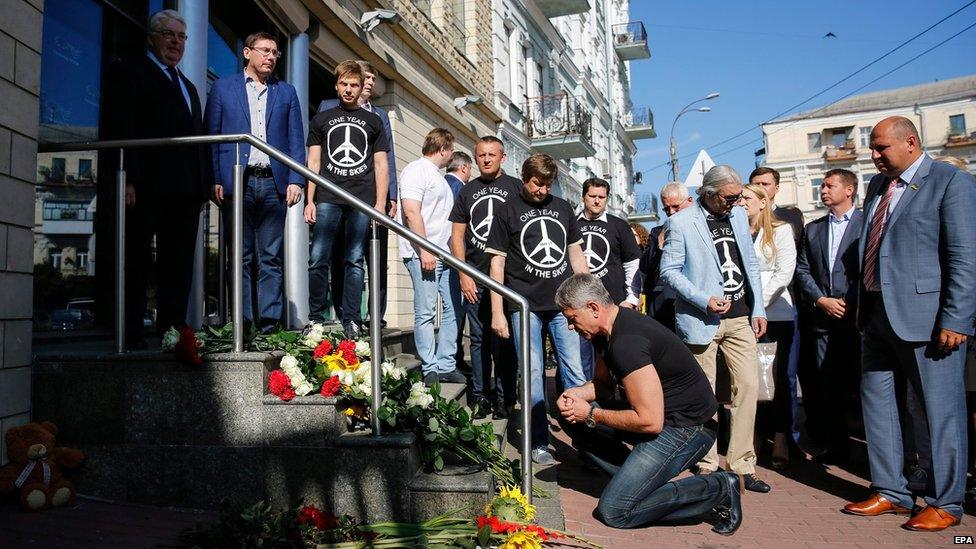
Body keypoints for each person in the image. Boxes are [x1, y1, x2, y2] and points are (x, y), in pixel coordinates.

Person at [842, 116, 976, 531]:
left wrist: (956, 318)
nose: (874, 156)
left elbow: (965, 257)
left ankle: (946, 502)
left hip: (929, 320)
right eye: (873, 148)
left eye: (881, 148)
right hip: (877, 314)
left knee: (939, 413)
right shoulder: (877, 186)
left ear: (911, 142)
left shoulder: (952, 183)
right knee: (877, 406)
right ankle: (891, 491)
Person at [554, 274, 742, 535]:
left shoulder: (627, 343)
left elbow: (649, 421)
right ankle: (633, 480)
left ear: (593, 308)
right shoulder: (604, 333)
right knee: (568, 414)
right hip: (663, 420)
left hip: (688, 429)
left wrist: (592, 414)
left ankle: (719, 487)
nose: (571, 327)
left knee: (615, 511)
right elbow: (604, 386)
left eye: (572, 318)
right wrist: (576, 396)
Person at [102, 9, 210, 348]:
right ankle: (130, 333)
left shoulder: (189, 87)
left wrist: (202, 186)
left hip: (185, 191)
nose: (176, 42)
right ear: (152, 38)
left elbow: (197, 137)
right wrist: (126, 178)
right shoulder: (129, 70)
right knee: (136, 260)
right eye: (169, 34)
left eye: (181, 37)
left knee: (177, 264)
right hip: (145, 186)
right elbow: (118, 126)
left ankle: (172, 331)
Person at [659, 165, 770, 493]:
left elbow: (750, 262)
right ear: (709, 194)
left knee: (748, 387)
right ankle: (706, 464)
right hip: (700, 319)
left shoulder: (737, 216)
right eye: (730, 197)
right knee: (704, 395)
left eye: (739, 197)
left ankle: (742, 464)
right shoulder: (680, 222)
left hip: (739, 317)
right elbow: (669, 271)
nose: (737, 202)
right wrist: (701, 298)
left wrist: (759, 307)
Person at [486, 154, 589, 465]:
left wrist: (585, 299)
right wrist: (497, 311)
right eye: (536, 184)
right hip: (523, 306)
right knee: (531, 374)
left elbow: (576, 255)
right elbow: (497, 263)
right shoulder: (507, 211)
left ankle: (586, 443)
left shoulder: (563, 208)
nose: (543, 190)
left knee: (574, 372)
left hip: (563, 306)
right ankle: (539, 441)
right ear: (523, 177)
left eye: (547, 185)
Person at [205, 31, 305, 333]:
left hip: (274, 183)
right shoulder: (223, 88)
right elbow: (212, 136)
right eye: (265, 51)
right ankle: (243, 321)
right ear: (247, 53)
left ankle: (269, 324)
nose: (271, 57)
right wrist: (214, 178)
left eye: (275, 52)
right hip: (238, 182)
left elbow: (295, 140)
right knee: (240, 256)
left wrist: (296, 180)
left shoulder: (286, 92)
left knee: (271, 257)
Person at [305, 60, 389, 340]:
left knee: (354, 260)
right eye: (344, 84)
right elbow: (313, 161)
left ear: (361, 85)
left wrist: (379, 204)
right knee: (318, 258)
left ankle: (351, 319)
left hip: (362, 201)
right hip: (328, 196)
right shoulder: (321, 119)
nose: (349, 90)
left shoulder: (374, 121)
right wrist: (310, 200)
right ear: (337, 85)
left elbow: (381, 165)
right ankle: (315, 318)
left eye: (354, 85)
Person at [448, 137, 522, 420]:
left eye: (492, 154)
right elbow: (456, 236)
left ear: (503, 157)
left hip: (508, 279)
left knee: (504, 339)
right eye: (481, 155)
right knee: (478, 340)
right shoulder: (467, 191)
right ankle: (481, 396)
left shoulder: (516, 188)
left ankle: (505, 397)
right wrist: (463, 274)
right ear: (475, 159)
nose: (486, 159)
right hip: (476, 277)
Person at [794, 168, 863, 465]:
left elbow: (869, 268)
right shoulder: (814, 229)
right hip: (823, 318)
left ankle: (874, 452)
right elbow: (803, 270)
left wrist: (851, 300)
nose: (822, 190)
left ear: (849, 190)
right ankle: (837, 447)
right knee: (827, 386)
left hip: (859, 318)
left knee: (863, 386)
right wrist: (822, 300)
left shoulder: (868, 224)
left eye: (829, 185)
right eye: (821, 185)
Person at [397, 129, 462, 385]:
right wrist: (424, 249)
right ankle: (430, 367)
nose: (452, 154)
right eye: (451, 149)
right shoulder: (416, 170)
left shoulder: (439, 177)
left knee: (452, 309)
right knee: (425, 311)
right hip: (424, 253)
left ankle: (446, 363)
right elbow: (411, 211)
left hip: (445, 256)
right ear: (444, 149)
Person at [741, 183, 796, 469]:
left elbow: (784, 272)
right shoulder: (736, 230)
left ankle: (780, 435)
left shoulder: (781, 230)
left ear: (763, 202)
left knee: (775, 381)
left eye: (747, 198)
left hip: (776, 315)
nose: (742, 202)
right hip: (743, 317)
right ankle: (755, 435)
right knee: (751, 381)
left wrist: (758, 305)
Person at [576, 178, 642, 379]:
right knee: (580, 359)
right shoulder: (571, 224)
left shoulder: (619, 226)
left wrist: (631, 299)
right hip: (578, 305)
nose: (597, 201)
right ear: (583, 197)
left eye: (601, 197)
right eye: (592, 196)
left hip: (613, 305)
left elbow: (632, 265)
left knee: (617, 356)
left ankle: (617, 400)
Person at [640, 182, 693, 330]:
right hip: (663, 304)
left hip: (693, 301)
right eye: (666, 209)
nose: (671, 212)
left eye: (676, 207)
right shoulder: (657, 232)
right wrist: (659, 244)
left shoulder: (702, 228)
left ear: (690, 201)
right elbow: (644, 267)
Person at [445, 151, 473, 382]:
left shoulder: (441, 183)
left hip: (443, 254)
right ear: (464, 168)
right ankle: (454, 358)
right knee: (456, 310)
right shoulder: (460, 189)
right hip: (457, 256)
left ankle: (454, 357)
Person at [748, 167, 803, 248]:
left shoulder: (792, 217)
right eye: (756, 185)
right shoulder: (744, 218)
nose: (760, 188)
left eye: (765, 184)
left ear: (776, 189)